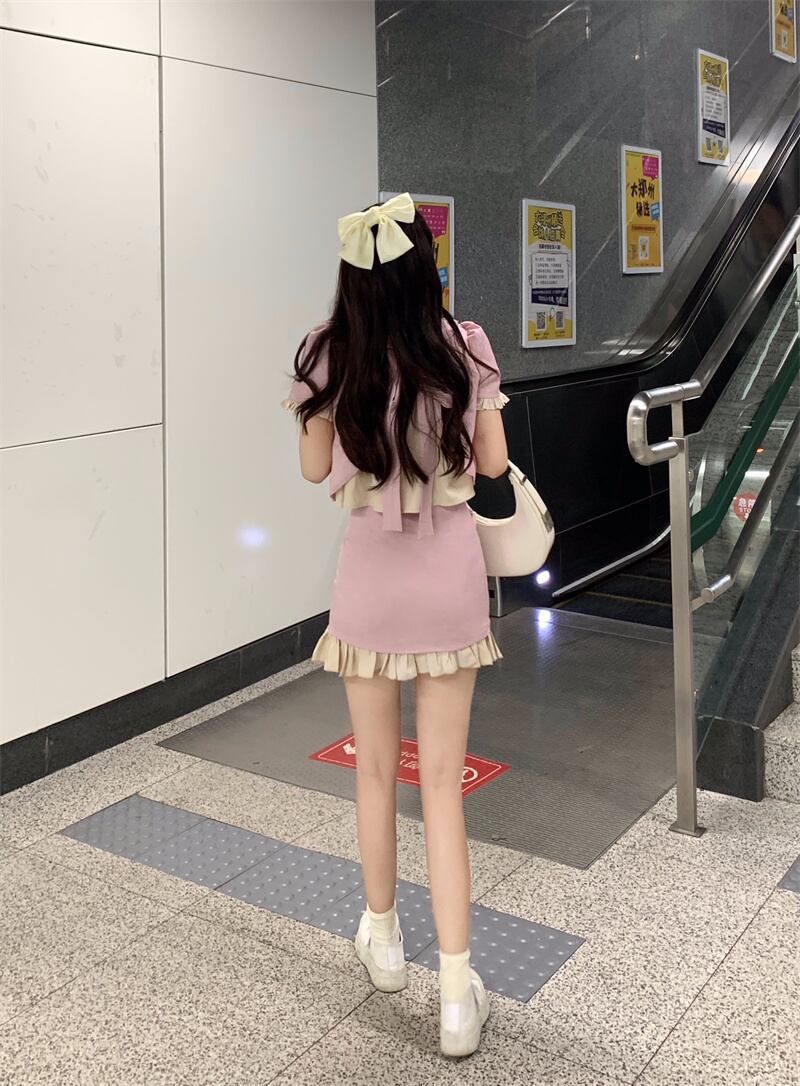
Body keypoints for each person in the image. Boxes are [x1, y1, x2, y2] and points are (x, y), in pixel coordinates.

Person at [282, 192, 509, 1058]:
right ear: (426, 270)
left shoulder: (325, 351)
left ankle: (382, 940)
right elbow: (493, 463)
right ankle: (456, 996)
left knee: (376, 772)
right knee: (442, 786)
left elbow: (314, 470)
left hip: (369, 583)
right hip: (448, 579)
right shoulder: (465, 345)